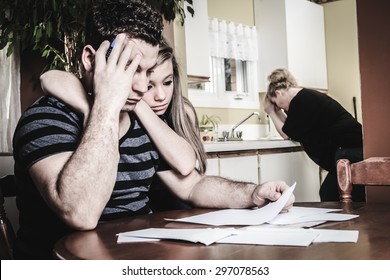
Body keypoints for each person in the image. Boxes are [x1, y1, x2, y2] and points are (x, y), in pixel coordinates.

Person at [12, 0, 294, 259]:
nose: (141, 86)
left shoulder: (138, 121)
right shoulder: (46, 119)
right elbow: (81, 213)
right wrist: (106, 105)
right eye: (130, 68)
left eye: (146, 71)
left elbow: (192, 184)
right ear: (90, 59)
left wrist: (252, 193)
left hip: (140, 258)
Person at [264, 68, 365, 202]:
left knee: (330, 194)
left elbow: (286, 134)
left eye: (277, 104)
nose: (279, 108)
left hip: (350, 153)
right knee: (331, 193)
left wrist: (271, 112)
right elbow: (289, 127)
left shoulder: (301, 102)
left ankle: (349, 221)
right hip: (351, 151)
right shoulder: (303, 98)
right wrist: (275, 110)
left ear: (278, 93)